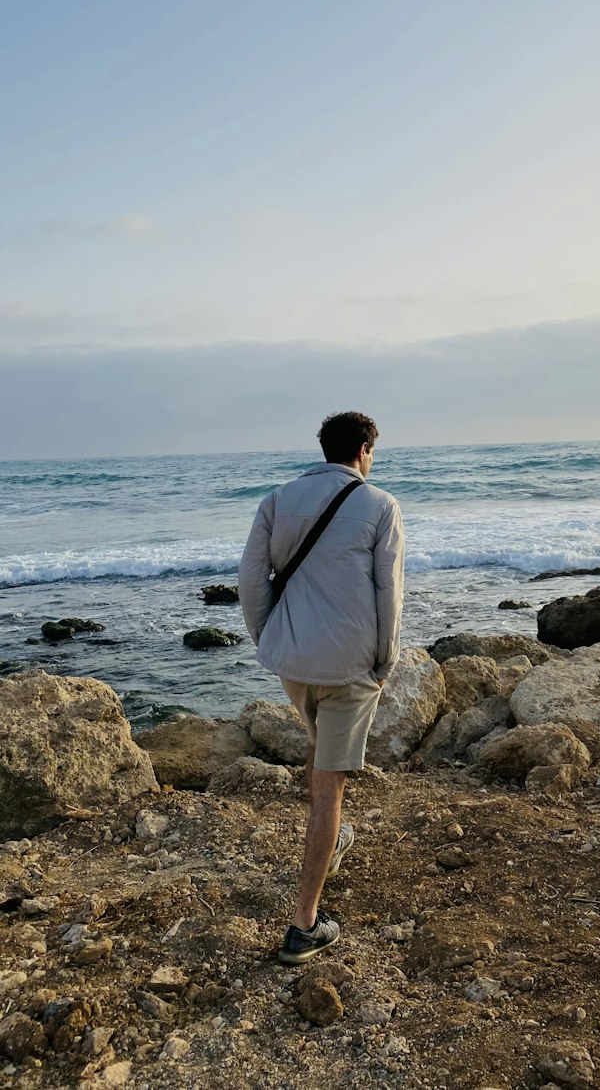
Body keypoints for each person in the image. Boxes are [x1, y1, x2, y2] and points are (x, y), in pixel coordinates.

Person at [238, 411, 404, 963]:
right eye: (372, 452)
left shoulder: (277, 499)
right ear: (363, 449)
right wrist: (386, 659)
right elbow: (389, 593)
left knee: (321, 755)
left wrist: (268, 637)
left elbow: (250, 581)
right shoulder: (380, 506)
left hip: (293, 661)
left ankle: (329, 840)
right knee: (329, 786)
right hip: (349, 666)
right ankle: (304, 925)